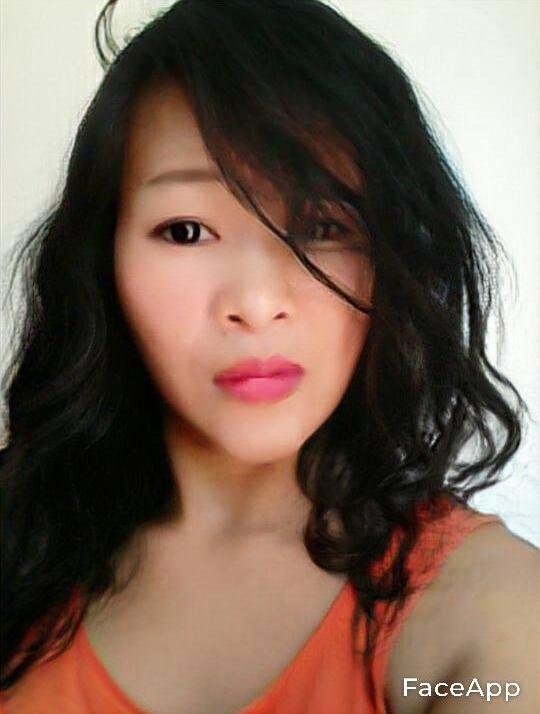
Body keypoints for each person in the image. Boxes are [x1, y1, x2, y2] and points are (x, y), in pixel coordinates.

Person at [1, 1, 538, 712]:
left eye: (323, 226)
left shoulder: (489, 608)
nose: (256, 303)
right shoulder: (20, 536)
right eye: (186, 231)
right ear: (103, 261)